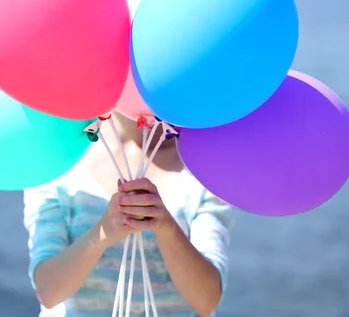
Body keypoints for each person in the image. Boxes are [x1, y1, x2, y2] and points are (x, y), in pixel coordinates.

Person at [23, 112, 233, 316]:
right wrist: (102, 233)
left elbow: (206, 301)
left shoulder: (203, 169)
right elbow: (48, 291)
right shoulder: (61, 162)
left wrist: (167, 228)